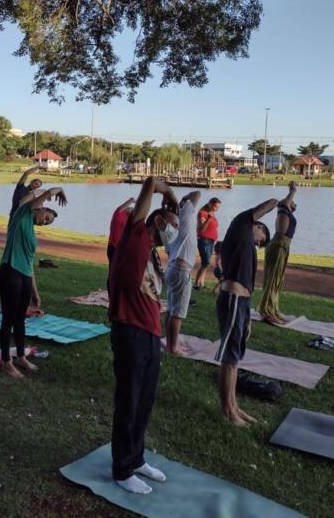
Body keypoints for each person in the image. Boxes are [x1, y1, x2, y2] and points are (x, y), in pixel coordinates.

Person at [108, 176, 179, 495]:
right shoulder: (134, 238)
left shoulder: (153, 252)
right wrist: (168, 193)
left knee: (144, 402)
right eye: (172, 225)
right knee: (129, 401)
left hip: (151, 335)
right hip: (130, 332)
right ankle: (122, 469)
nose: (174, 233)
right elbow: (150, 183)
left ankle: (136, 458)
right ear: (159, 220)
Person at [216, 197, 277, 426]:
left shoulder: (248, 246)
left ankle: (234, 406)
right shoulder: (241, 224)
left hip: (241, 303)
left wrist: (249, 318)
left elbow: (249, 284)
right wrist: (286, 199)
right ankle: (228, 411)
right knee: (230, 359)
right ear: (259, 226)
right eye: (262, 241)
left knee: (235, 359)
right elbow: (268, 204)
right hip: (231, 299)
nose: (260, 245)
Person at [0, 186, 66, 379]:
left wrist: (35, 293)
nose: (44, 222)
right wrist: (57, 189)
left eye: (47, 223)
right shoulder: (21, 216)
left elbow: (29, 265)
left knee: (20, 319)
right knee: (8, 319)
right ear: (41, 209)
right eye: (46, 218)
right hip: (9, 272)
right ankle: (6, 361)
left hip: (24, 276)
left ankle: (20, 357)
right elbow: (40, 196)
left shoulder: (32, 234)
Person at [164, 191, 200, 356]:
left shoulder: (168, 226)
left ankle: (169, 343)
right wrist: (185, 200)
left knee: (171, 309)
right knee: (177, 313)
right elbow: (197, 194)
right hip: (181, 270)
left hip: (172, 268)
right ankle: (173, 347)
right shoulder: (184, 214)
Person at [258, 182, 298, 324]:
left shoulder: (286, 213)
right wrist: (292, 190)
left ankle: (273, 309)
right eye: (292, 202)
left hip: (282, 246)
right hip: (279, 246)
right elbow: (283, 202)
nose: (294, 204)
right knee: (272, 279)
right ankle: (267, 312)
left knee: (277, 280)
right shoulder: (282, 209)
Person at [194, 197, 221, 289]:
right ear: (210, 204)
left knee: (206, 263)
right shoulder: (202, 213)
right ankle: (196, 284)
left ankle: (201, 284)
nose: (216, 209)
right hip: (204, 240)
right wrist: (209, 219)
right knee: (206, 262)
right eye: (215, 207)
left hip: (211, 241)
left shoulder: (212, 214)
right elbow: (201, 229)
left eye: (218, 208)